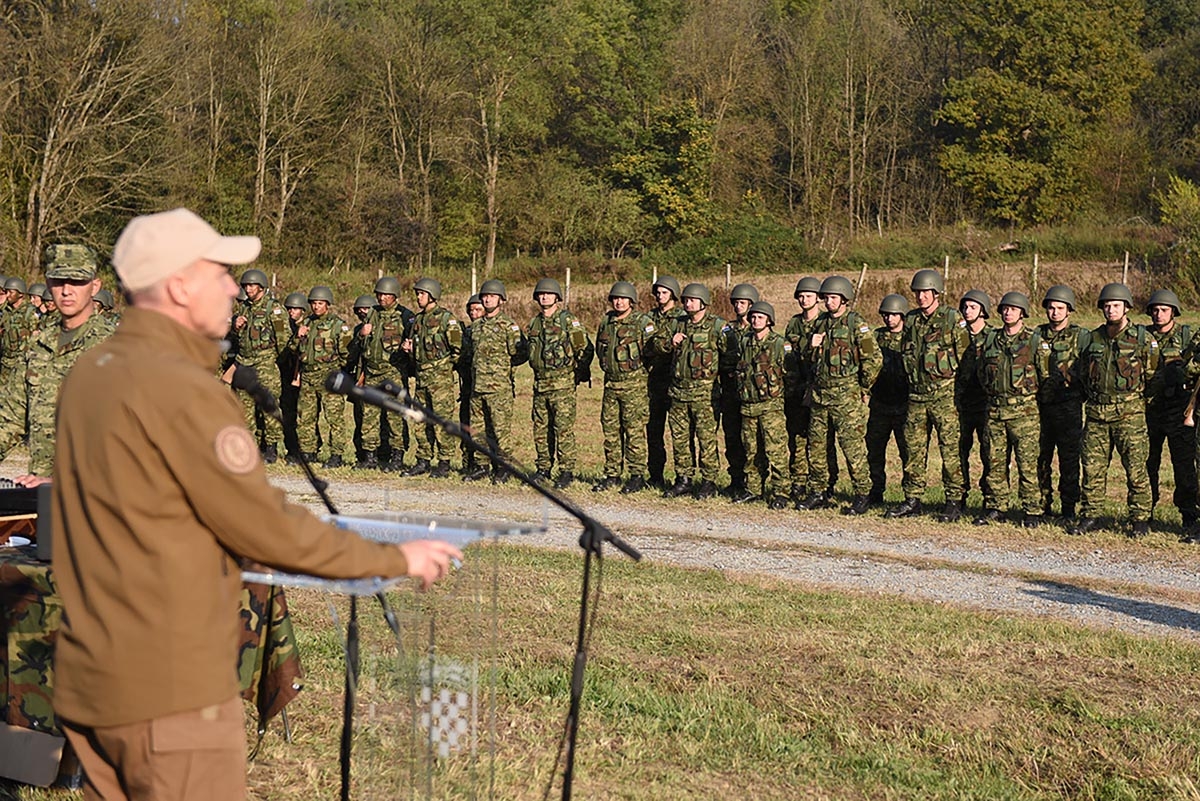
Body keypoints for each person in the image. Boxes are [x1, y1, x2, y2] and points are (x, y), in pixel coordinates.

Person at [51, 207, 461, 801]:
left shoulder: (91, 371)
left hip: (91, 677)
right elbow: (265, 528)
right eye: (220, 273)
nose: (232, 288)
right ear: (177, 285)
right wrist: (396, 559)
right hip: (168, 692)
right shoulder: (185, 389)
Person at [19, 244, 115, 481]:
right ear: (49, 285)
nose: (66, 290)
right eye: (59, 281)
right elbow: (11, 414)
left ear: (95, 286)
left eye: (77, 282)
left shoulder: (117, 348)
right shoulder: (39, 343)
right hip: (41, 492)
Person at [1071, 283, 1159, 537]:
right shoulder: (1092, 338)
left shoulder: (1142, 339)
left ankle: (1140, 519)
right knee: (1092, 468)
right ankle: (1090, 515)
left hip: (1129, 414)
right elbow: (1082, 373)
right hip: (1097, 414)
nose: (1110, 310)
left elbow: (1153, 376)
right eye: (1107, 306)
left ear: (1127, 307)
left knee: (1136, 468)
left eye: (1116, 305)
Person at [887, 268, 971, 522]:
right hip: (916, 396)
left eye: (926, 292)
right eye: (917, 292)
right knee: (913, 450)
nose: (921, 297)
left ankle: (954, 501)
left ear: (936, 293)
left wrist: (959, 391)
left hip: (944, 396)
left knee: (950, 450)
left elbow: (966, 357)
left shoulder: (951, 319)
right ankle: (913, 499)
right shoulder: (911, 320)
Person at [797, 276, 881, 515]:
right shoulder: (820, 323)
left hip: (847, 399)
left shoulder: (856, 324)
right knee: (817, 448)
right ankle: (818, 492)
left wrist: (863, 388)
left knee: (852, 448)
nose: (828, 302)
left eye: (833, 298)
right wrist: (810, 346)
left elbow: (873, 358)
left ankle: (862, 493)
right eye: (826, 298)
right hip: (820, 396)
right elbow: (805, 359)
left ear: (844, 299)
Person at [973, 292, 1050, 527]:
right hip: (996, 411)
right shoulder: (990, 340)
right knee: (995, 462)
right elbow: (981, 372)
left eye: (1013, 309)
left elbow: (1046, 376)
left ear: (1022, 313)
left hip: (1024, 414)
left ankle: (1032, 510)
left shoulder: (1034, 341)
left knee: (1028, 463)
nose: (1008, 312)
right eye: (1005, 309)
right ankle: (996, 506)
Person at [660, 282, 727, 500]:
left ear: (703, 303)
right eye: (686, 300)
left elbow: (730, 356)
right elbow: (656, 345)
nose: (688, 303)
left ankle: (709, 481)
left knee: (706, 439)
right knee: (680, 439)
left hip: (705, 395)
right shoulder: (677, 324)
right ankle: (684, 479)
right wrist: (670, 342)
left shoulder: (717, 326)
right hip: (678, 393)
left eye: (692, 300)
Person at [526, 277, 593, 488]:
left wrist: (577, 373)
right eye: (541, 294)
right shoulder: (534, 323)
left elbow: (585, 349)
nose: (544, 296)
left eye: (549, 294)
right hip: (540, 384)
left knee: (563, 429)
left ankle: (566, 471)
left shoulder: (567, 321)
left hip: (563, 385)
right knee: (541, 429)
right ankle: (543, 468)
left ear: (557, 297)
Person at [592, 281, 656, 493]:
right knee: (610, 431)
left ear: (632, 301)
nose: (619, 302)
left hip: (634, 386)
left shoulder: (642, 322)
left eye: (623, 298)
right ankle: (612, 474)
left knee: (634, 431)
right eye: (615, 298)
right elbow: (599, 348)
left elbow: (653, 351)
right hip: (611, 384)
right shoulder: (606, 322)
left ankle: (637, 475)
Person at [464, 279, 528, 483]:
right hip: (477, 386)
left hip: (499, 388)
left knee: (500, 430)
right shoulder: (475, 327)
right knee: (478, 430)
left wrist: (501, 369)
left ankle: (503, 467)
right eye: (484, 296)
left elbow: (521, 353)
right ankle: (482, 465)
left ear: (501, 300)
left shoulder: (509, 326)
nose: (487, 299)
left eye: (491, 296)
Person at [1143, 289, 1197, 528]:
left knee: (1184, 466)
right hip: (1148, 410)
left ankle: (1188, 514)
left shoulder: (1187, 337)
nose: (1158, 314)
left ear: (1173, 311)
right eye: (1154, 310)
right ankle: (1144, 512)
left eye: (1164, 310)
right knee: (1146, 464)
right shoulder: (1140, 336)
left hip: (1179, 411)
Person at [1036, 285, 1088, 521]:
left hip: (1069, 408)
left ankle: (1068, 507)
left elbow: (1089, 369)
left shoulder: (1081, 337)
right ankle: (1041, 504)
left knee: (1069, 460)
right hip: (1041, 407)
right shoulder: (1036, 334)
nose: (1054, 312)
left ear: (1069, 310)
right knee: (1040, 458)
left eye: (1060, 308)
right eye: (1051, 307)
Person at [783, 276, 837, 503]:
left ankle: (827, 483)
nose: (804, 300)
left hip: (820, 388)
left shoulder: (825, 322)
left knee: (822, 440)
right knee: (797, 437)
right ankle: (798, 481)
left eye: (809, 296)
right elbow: (788, 353)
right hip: (797, 388)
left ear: (818, 298)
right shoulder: (794, 323)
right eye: (801, 296)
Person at [402, 277, 462, 478]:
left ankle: (444, 462)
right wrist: (408, 349)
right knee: (420, 420)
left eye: (422, 294)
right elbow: (416, 347)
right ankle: (423, 459)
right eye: (417, 294)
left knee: (442, 421)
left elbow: (458, 349)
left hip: (440, 381)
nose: (418, 297)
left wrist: (443, 367)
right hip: (421, 379)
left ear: (432, 296)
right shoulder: (418, 320)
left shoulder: (446, 319)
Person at [733, 301, 791, 508]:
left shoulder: (778, 344)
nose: (756, 320)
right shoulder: (744, 341)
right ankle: (753, 489)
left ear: (769, 320)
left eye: (760, 317)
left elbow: (790, 374)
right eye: (753, 316)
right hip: (748, 405)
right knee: (751, 451)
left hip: (771, 406)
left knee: (775, 450)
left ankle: (781, 492)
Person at [356, 276, 414, 470]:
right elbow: (361, 343)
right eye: (379, 294)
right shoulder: (372, 314)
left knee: (395, 416)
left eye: (385, 295)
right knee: (369, 416)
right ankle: (370, 457)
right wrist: (361, 334)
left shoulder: (405, 316)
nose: (381, 298)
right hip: (372, 372)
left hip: (393, 373)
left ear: (394, 296)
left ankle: (397, 458)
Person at [230, 268, 287, 463]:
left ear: (261, 287)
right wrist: (236, 327)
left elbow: (283, 338)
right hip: (244, 362)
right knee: (244, 408)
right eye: (246, 285)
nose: (248, 288)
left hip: (265, 361)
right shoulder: (244, 308)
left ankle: (270, 448)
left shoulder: (275, 309)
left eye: (252, 285)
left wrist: (271, 359)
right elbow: (238, 338)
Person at [295, 285, 351, 468]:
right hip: (308, 376)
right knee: (306, 417)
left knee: (334, 417)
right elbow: (291, 350)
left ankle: (336, 454)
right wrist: (298, 336)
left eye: (320, 303)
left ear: (327, 304)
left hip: (329, 376)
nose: (316, 307)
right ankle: (309, 452)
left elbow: (347, 353)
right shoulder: (306, 324)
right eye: (313, 303)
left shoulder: (338, 326)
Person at [866, 294, 909, 504]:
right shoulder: (876, 336)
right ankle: (875, 490)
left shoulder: (911, 337)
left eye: (893, 315)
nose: (889, 319)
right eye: (885, 315)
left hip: (904, 405)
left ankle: (911, 495)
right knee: (874, 450)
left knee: (908, 453)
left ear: (902, 315)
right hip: (880, 404)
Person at [720, 283, 758, 497]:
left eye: (742, 303)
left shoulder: (759, 328)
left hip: (752, 394)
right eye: (735, 302)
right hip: (730, 391)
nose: (737, 306)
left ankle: (752, 482)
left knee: (751, 440)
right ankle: (736, 479)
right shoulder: (727, 330)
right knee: (732, 437)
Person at [645, 275, 684, 487]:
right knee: (653, 430)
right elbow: (646, 345)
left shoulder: (683, 317)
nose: (660, 296)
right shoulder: (648, 318)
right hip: (653, 381)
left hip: (676, 380)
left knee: (680, 433)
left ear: (673, 295)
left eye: (665, 293)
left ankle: (683, 477)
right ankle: (656, 475)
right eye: (658, 293)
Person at [956, 289, 992, 509]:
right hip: (961, 404)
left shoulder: (994, 338)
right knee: (958, 453)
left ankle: (991, 500)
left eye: (973, 307)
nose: (968, 311)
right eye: (965, 307)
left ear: (983, 311)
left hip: (987, 405)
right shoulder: (957, 336)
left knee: (990, 454)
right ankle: (957, 498)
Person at [0, 277, 40, 461]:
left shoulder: (30, 313)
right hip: (5, 363)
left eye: (10, 292)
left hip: (20, 364)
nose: (7, 294)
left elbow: (36, 338)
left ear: (20, 294)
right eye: (6, 291)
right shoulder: (6, 312)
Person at [457, 294, 486, 476]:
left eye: (478, 309)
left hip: (490, 386)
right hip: (468, 386)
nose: (473, 313)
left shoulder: (494, 330)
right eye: (471, 310)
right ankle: (469, 462)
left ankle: (491, 464)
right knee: (466, 425)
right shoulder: (466, 332)